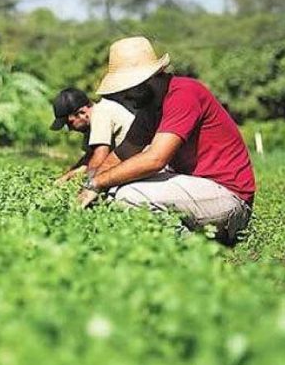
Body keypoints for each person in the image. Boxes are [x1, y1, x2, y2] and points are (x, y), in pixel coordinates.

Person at [77, 36, 256, 244]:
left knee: (129, 196)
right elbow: (122, 153)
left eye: (127, 90)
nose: (124, 97)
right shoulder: (149, 109)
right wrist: (90, 185)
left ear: (147, 80)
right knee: (113, 190)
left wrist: (98, 182)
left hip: (229, 198)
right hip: (198, 191)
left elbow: (155, 160)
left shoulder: (184, 93)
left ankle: (191, 250)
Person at [50, 88, 135, 184]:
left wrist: (86, 184)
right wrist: (67, 176)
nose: (70, 129)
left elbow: (99, 157)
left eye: (70, 123)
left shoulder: (101, 113)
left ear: (82, 112)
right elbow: (89, 158)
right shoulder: (92, 121)